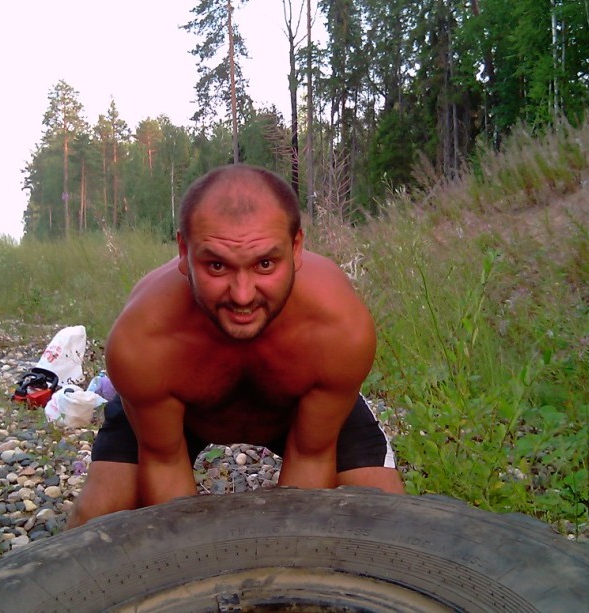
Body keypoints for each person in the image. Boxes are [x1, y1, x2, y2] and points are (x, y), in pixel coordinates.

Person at [67, 164, 403, 528]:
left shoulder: (339, 330)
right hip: (178, 414)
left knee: (386, 518)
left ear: (296, 249)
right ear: (183, 252)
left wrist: (288, 553)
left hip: (299, 410)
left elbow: (312, 456)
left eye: (265, 264)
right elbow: (164, 463)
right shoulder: (142, 341)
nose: (243, 296)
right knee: (92, 519)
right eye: (217, 266)